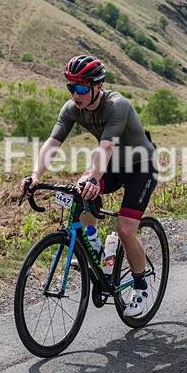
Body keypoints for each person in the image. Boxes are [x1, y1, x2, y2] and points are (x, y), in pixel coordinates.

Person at [20, 55, 158, 316]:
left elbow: (105, 147)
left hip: (142, 167)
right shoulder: (72, 108)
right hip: (112, 166)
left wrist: (94, 178)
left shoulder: (116, 105)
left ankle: (140, 287)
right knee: (80, 191)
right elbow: (52, 143)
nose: (76, 94)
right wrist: (35, 176)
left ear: (98, 85)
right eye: (71, 87)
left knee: (125, 230)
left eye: (82, 88)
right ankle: (93, 244)